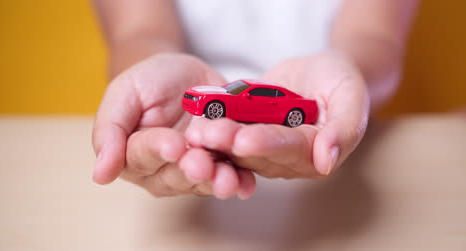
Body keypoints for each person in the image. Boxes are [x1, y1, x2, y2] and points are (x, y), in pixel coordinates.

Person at [91, 0, 419, 200]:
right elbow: (139, 33)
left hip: (339, 167)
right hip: (182, 141)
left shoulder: (288, 105)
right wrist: (146, 70)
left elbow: (374, 39)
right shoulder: (216, 97)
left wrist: (350, 69)